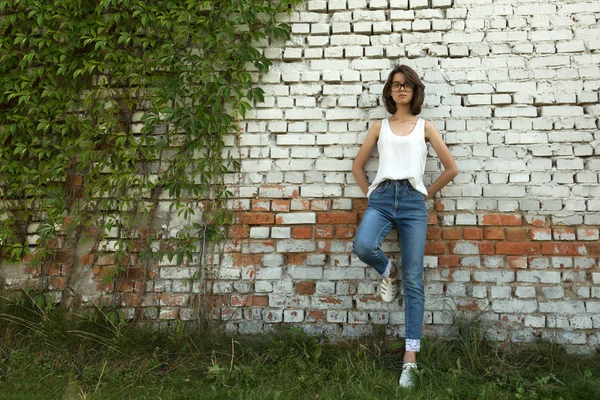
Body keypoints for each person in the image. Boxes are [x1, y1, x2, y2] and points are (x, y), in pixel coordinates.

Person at [352, 64, 458, 388]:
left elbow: (451, 168)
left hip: (413, 201)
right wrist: (371, 193)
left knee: (415, 281)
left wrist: (425, 193)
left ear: (414, 91)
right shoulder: (378, 127)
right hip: (382, 198)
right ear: (389, 91)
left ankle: (410, 359)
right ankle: (389, 271)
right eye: (396, 85)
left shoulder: (425, 127)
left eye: (407, 85)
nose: (401, 90)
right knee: (363, 245)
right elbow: (358, 166)